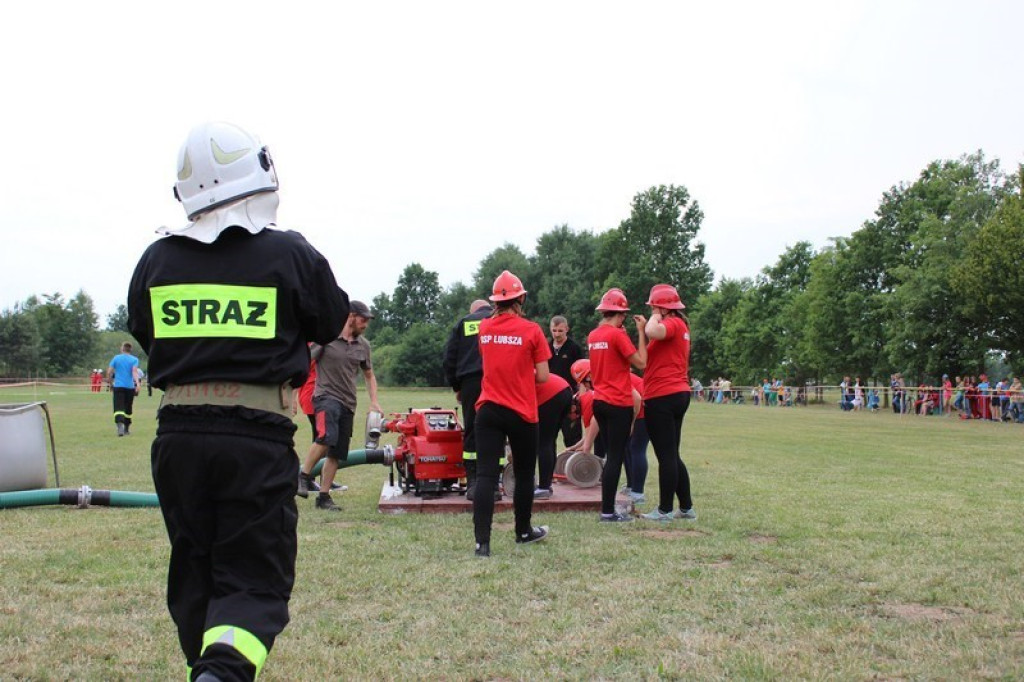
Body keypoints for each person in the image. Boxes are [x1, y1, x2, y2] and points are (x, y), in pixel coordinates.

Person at [128, 121, 348, 681]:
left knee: (195, 569)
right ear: (260, 171)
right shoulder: (289, 253)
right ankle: (220, 673)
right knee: (252, 579)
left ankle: (205, 668)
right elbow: (329, 318)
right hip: (255, 438)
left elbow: (146, 332)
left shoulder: (157, 260)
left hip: (176, 439)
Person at [471, 270, 551, 557]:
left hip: (489, 409)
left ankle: (482, 544)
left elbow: (491, 363)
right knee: (525, 473)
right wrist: (522, 370)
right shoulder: (532, 331)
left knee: (486, 476)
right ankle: (523, 531)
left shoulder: (485, 329)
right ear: (521, 299)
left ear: (496, 301)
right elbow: (542, 376)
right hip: (521, 412)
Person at [298, 301, 382, 511]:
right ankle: (303, 476)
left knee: (336, 453)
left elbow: (369, 376)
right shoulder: (326, 339)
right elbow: (303, 363)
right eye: (363, 319)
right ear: (351, 316)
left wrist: (374, 401)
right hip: (325, 397)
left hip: (348, 403)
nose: (365, 324)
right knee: (326, 437)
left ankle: (324, 497)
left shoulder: (363, 346)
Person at [587, 287, 647, 523]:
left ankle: (607, 508)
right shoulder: (617, 335)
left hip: (599, 401)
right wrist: (642, 332)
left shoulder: (593, 335)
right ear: (620, 315)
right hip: (618, 402)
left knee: (611, 455)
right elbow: (641, 362)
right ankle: (608, 511)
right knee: (615, 457)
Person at [637, 284, 696, 522]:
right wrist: (643, 329)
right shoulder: (679, 326)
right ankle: (686, 507)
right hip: (676, 393)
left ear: (661, 307)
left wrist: (653, 317)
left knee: (666, 455)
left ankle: (664, 510)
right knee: (672, 453)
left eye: (653, 306)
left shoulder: (671, 324)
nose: (651, 309)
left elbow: (654, 332)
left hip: (663, 395)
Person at [441, 299, 495, 501]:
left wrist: (457, 386)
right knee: (496, 429)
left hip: (471, 382)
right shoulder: (498, 319)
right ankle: (494, 484)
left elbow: (449, 357)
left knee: (472, 429)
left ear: (473, 311)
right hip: (497, 380)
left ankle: (473, 483)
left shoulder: (464, 323)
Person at [547, 315, 585, 448]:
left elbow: (583, 372)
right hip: (550, 397)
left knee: (572, 436)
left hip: (570, 397)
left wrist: (581, 393)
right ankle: (551, 468)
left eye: (560, 331)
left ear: (567, 329)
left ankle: (576, 467)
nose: (557, 334)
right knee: (548, 437)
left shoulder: (574, 348)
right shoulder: (546, 347)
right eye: (554, 330)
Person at [533, 371, 572, 499]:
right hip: (563, 388)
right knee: (549, 440)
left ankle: (543, 488)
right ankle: (546, 484)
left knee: (543, 442)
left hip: (550, 393)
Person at [107, 342, 141, 436]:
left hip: (118, 386)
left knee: (118, 407)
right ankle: (126, 428)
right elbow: (134, 372)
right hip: (129, 387)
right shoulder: (134, 359)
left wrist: (110, 383)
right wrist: (137, 384)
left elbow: (109, 372)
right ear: (130, 350)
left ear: (122, 349)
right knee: (128, 407)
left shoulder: (116, 358)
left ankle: (119, 427)